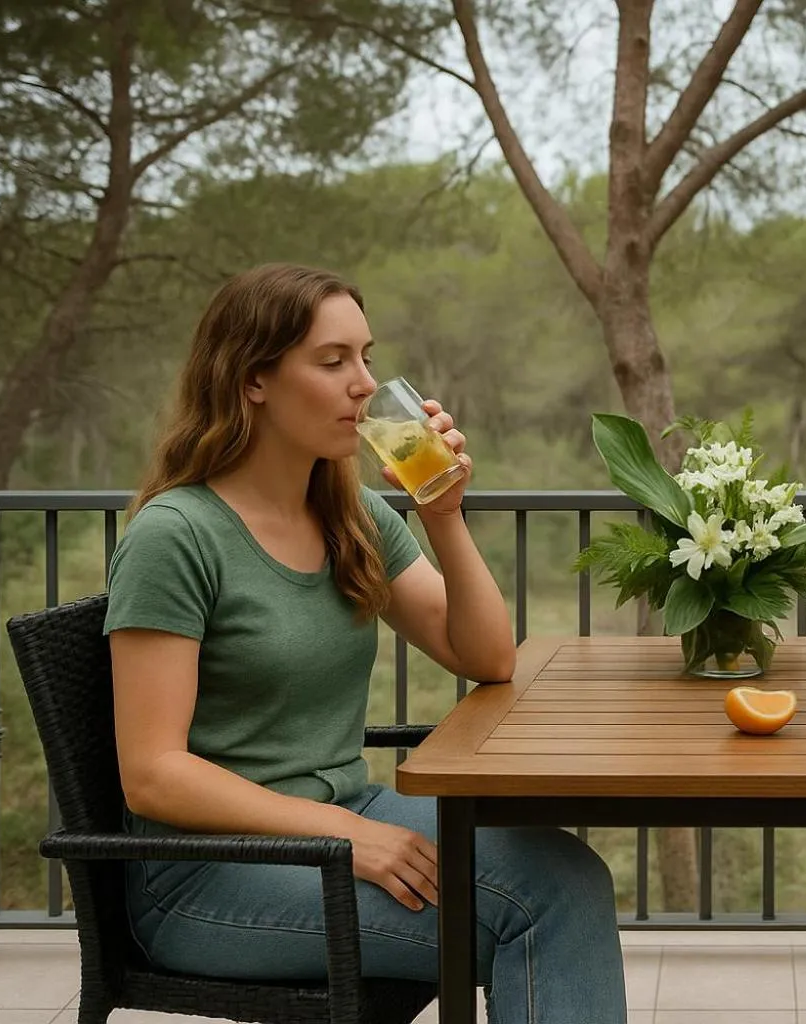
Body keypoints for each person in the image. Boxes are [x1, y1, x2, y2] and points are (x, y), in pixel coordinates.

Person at [105, 263, 628, 1023]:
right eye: (332, 361)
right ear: (253, 380)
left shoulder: (350, 515)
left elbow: (486, 657)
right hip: (207, 872)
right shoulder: (175, 536)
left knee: (568, 876)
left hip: (341, 818)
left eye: (365, 356)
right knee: (535, 908)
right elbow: (153, 776)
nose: (364, 383)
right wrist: (351, 835)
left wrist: (442, 512)